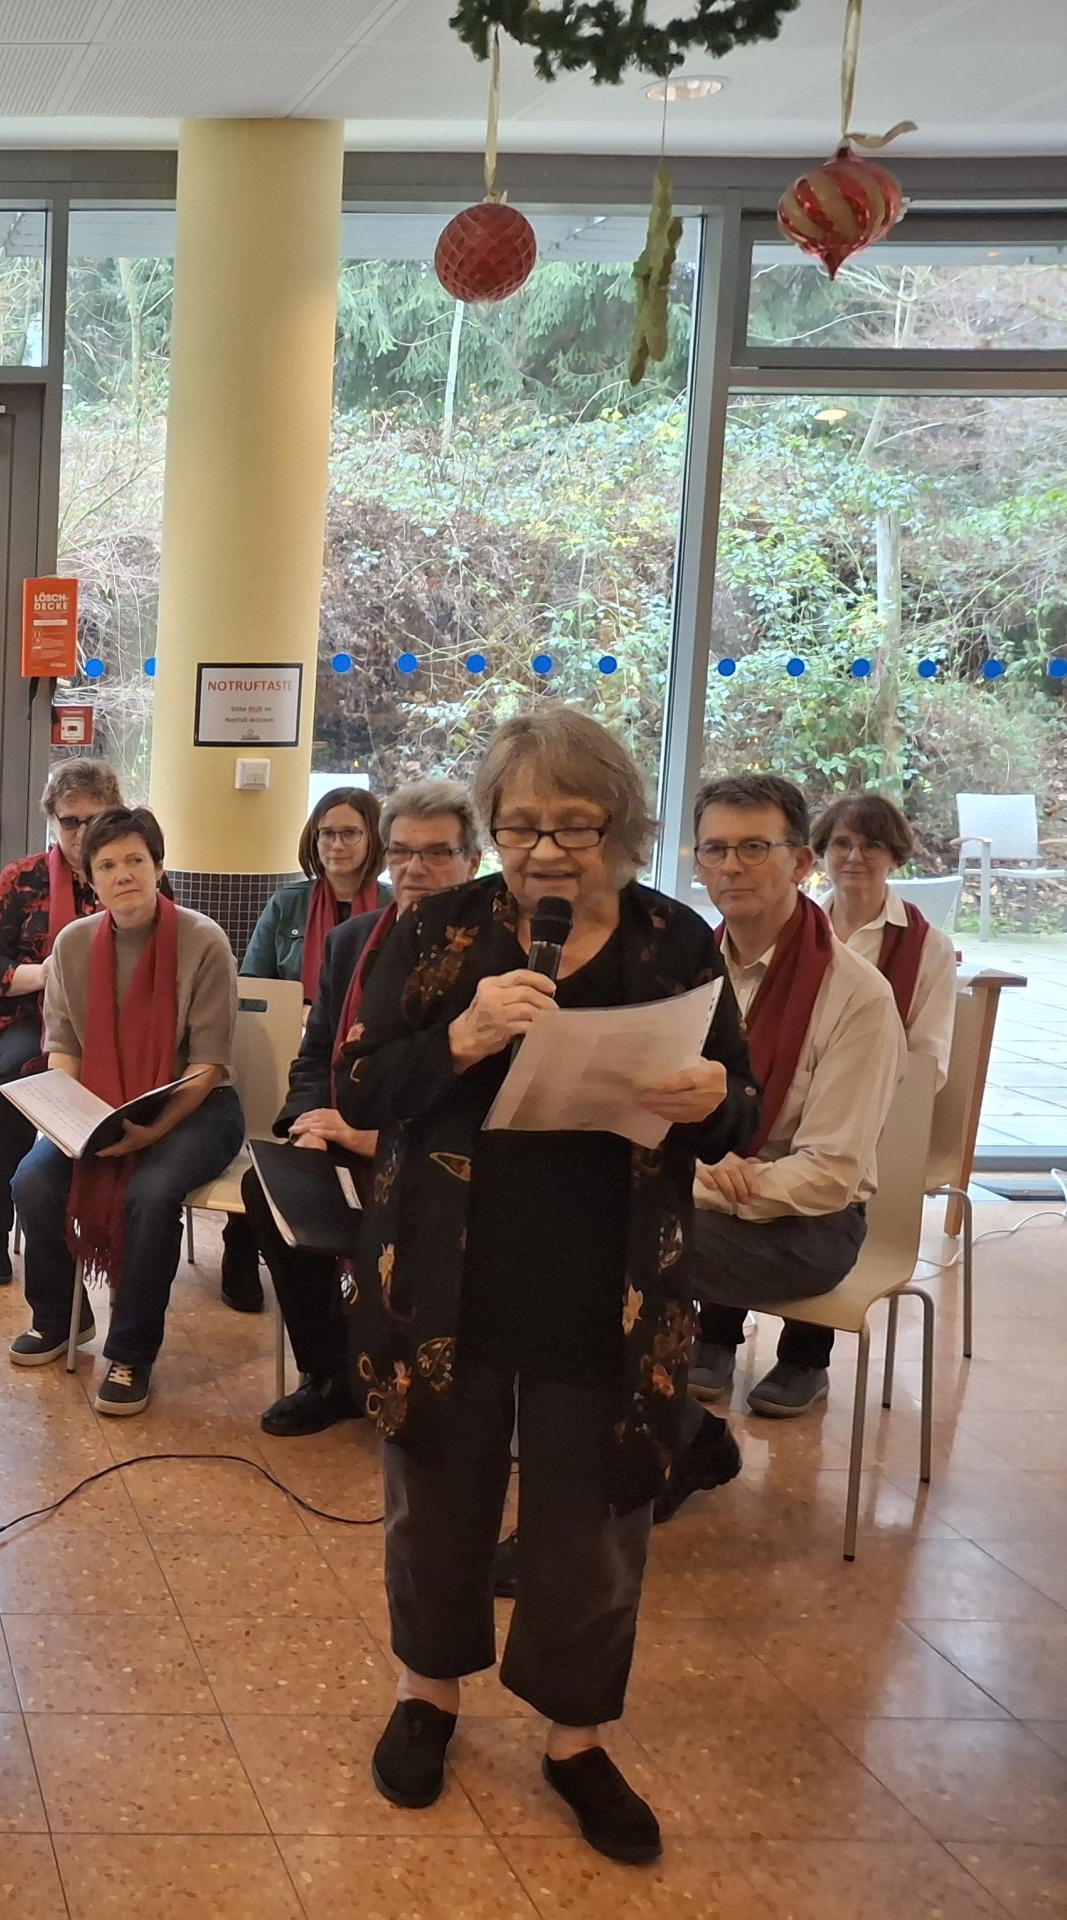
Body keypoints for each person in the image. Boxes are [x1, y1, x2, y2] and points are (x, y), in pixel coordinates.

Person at [337, 708, 755, 1868]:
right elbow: (360, 1086)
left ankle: (575, 1741)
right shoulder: (435, 932)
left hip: (607, 1279)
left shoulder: (675, 942)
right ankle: (426, 1694)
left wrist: (710, 1102)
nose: (545, 853)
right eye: (519, 826)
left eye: (574, 826)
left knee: (593, 1522)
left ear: (622, 828)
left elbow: (740, 1107)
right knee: (436, 1501)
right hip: (446, 1272)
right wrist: (462, 1038)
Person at [252, 779, 482, 1438]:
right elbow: (316, 1052)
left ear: (472, 861)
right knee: (270, 1189)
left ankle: (419, 1375)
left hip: (442, 1158)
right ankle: (330, 1374)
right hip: (345, 1131)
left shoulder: (492, 956)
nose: (415, 869)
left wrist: (365, 1137)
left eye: (437, 853)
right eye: (402, 851)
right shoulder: (353, 941)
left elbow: (469, 1090)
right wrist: (306, 1124)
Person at [8, 807, 245, 1416]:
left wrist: (151, 1132)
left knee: (152, 1192)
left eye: (136, 860)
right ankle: (60, 1319)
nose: (123, 875)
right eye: (107, 865)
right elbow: (64, 1048)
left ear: (158, 867)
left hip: (195, 1106)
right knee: (32, 1179)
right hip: (101, 1104)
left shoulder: (203, 940)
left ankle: (132, 1352)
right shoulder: (73, 944)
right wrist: (70, 1121)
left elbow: (208, 1064)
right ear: (90, 878)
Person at [685, 773, 905, 1422]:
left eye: (754, 848)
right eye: (714, 849)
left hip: (809, 1227)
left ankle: (658, 1437)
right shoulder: (682, 971)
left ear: (802, 862)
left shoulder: (857, 996)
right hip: (702, 1191)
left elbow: (830, 1175)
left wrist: (695, 1182)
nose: (731, 866)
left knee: (627, 1235)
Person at [228, 785, 385, 1312]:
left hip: (360, 1058)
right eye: (326, 833)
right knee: (261, 1107)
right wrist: (297, 1010)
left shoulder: (394, 906)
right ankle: (241, 1240)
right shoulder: (287, 903)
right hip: (288, 1046)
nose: (336, 845)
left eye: (350, 833)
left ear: (374, 839)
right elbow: (253, 986)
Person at [0, 757, 118, 1283]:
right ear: (52, 821)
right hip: (35, 1016)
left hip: (115, 1026)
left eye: (93, 820)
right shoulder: (21, 878)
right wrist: (47, 973)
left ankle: (97, 1224)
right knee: (8, 1089)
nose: (81, 833)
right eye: (69, 821)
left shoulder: (130, 874)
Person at [816, 790, 958, 1084]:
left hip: (885, 1095)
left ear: (895, 859)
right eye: (841, 844)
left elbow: (928, 1058)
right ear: (822, 854)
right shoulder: (792, 932)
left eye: (872, 846)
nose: (854, 857)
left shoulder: (930, 948)